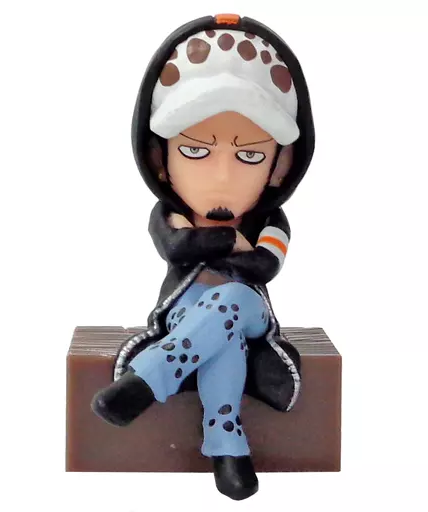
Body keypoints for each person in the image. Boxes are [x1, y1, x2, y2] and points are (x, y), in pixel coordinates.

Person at [91, 13, 315, 501]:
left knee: (233, 300)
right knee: (223, 336)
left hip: (251, 311)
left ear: (279, 166)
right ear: (160, 159)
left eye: (249, 155)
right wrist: (230, 243)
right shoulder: (167, 215)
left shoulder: (270, 222)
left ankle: (148, 379)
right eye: (195, 151)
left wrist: (220, 245)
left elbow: (263, 266)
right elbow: (176, 247)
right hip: (186, 314)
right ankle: (226, 445)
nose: (221, 178)